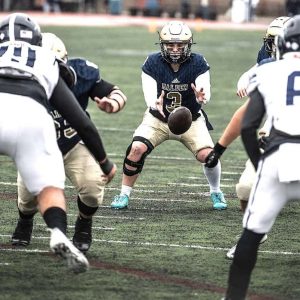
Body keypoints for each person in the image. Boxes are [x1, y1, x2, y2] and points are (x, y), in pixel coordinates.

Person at [0, 12, 117, 272]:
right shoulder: (44, 60)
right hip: (31, 118)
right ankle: (58, 234)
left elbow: (110, 91)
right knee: (48, 187)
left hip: (67, 142)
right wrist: (105, 161)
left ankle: (78, 228)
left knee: (84, 185)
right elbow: (83, 122)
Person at [111, 21, 227, 211]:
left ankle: (215, 191)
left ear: (188, 45)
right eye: (170, 45)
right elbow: (149, 93)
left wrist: (202, 96)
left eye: (179, 45)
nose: (175, 49)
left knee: (209, 156)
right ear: (162, 45)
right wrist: (154, 103)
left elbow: (204, 88)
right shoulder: (152, 62)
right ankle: (124, 193)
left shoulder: (198, 62)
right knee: (137, 149)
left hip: (191, 119)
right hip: (158, 118)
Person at [224, 15, 300, 299]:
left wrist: (260, 163)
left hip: (278, 155)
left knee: (251, 235)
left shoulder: (269, 72)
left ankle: (233, 296)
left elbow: (247, 127)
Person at [205, 16, 290, 259]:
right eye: (274, 41)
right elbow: (246, 114)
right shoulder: (268, 68)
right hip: (276, 134)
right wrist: (219, 148)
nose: (277, 47)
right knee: (245, 188)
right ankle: (254, 233)